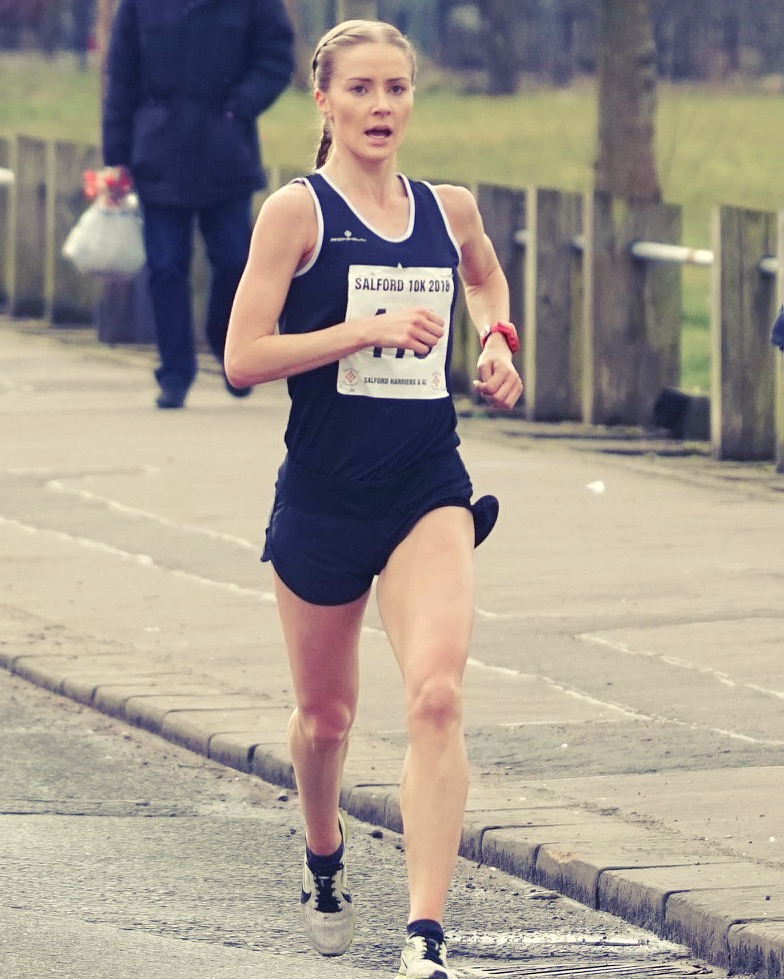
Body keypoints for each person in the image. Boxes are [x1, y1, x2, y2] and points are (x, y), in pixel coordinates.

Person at [224, 19, 523, 979]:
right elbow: (242, 357)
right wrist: (365, 330)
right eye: (360, 89)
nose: (381, 106)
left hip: (425, 484)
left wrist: (497, 339)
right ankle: (324, 855)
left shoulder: (448, 208)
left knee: (436, 694)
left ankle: (425, 936)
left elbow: (485, 275)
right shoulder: (296, 214)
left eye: (396, 88)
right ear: (324, 101)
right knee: (326, 719)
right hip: (322, 497)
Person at [102, 0, 295, 409]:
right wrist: (116, 156)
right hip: (157, 151)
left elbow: (277, 57)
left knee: (234, 260)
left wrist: (239, 108)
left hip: (224, 151)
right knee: (165, 267)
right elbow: (121, 75)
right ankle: (174, 373)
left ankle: (229, 346)